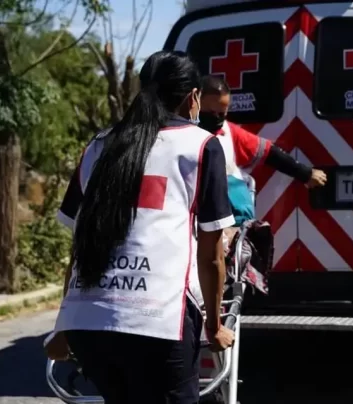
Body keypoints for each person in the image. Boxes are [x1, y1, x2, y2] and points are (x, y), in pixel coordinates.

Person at [50, 51, 236, 404]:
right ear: (193, 97)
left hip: (88, 327)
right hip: (159, 324)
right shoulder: (201, 146)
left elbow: (81, 244)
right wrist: (214, 328)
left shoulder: (99, 146)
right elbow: (211, 256)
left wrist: (63, 326)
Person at [198, 75, 327, 228]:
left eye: (222, 113)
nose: (217, 119)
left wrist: (305, 173)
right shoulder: (178, 132)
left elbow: (269, 152)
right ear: (196, 102)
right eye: (211, 113)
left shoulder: (229, 133)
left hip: (221, 221)